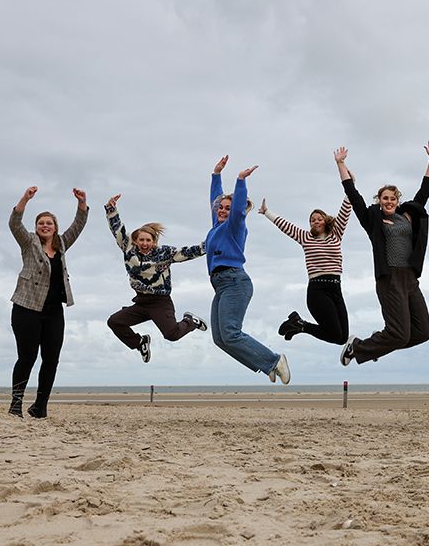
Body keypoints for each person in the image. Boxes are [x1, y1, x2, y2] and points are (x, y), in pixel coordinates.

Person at [337, 142, 429, 366]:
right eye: (385, 198)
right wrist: (341, 164)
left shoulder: (408, 215)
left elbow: (425, 191)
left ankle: (380, 340)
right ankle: (361, 346)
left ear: (398, 200)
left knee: (422, 332)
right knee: (400, 335)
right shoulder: (372, 219)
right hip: (389, 278)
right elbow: (353, 196)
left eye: (393, 198)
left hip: (410, 279)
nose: (389, 201)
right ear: (379, 201)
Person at [207, 155, 290, 383]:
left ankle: (274, 361)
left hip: (235, 282)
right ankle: (268, 366)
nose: (222, 210)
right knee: (221, 338)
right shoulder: (217, 227)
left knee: (231, 333)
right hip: (221, 285)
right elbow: (215, 200)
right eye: (220, 208)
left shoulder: (234, 226)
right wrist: (216, 175)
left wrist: (240, 180)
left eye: (227, 208)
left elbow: (235, 209)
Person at [7, 185, 89, 418]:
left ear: (55, 228)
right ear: (36, 227)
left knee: (51, 359)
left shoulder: (62, 244)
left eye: (49, 223)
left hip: (53, 312)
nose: (45, 226)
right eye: (41, 223)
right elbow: (14, 223)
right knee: (27, 357)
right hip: (26, 309)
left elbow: (78, 225)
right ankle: (16, 404)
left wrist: (81, 203)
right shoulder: (28, 242)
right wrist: (25, 198)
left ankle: (40, 405)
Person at [258, 149, 353, 345]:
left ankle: (299, 324)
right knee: (335, 335)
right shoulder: (305, 237)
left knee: (342, 338)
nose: (314, 221)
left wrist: (347, 176)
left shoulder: (336, 234)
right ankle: (300, 325)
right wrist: (267, 212)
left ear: (325, 221)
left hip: (336, 287)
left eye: (318, 218)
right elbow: (285, 226)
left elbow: (347, 205)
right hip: (317, 290)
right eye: (311, 220)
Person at [104, 194, 208, 362]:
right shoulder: (128, 248)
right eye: (141, 240)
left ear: (154, 241)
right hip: (141, 302)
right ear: (136, 240)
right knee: (114, 322)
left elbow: (187, 252)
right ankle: (140, 342)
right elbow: (116, 229)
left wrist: (208, 245)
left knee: (172, 335)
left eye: (148, 240)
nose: (144, 243)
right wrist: (111, 209)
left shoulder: (164, 253)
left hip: (160, 302)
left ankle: (191, 321)